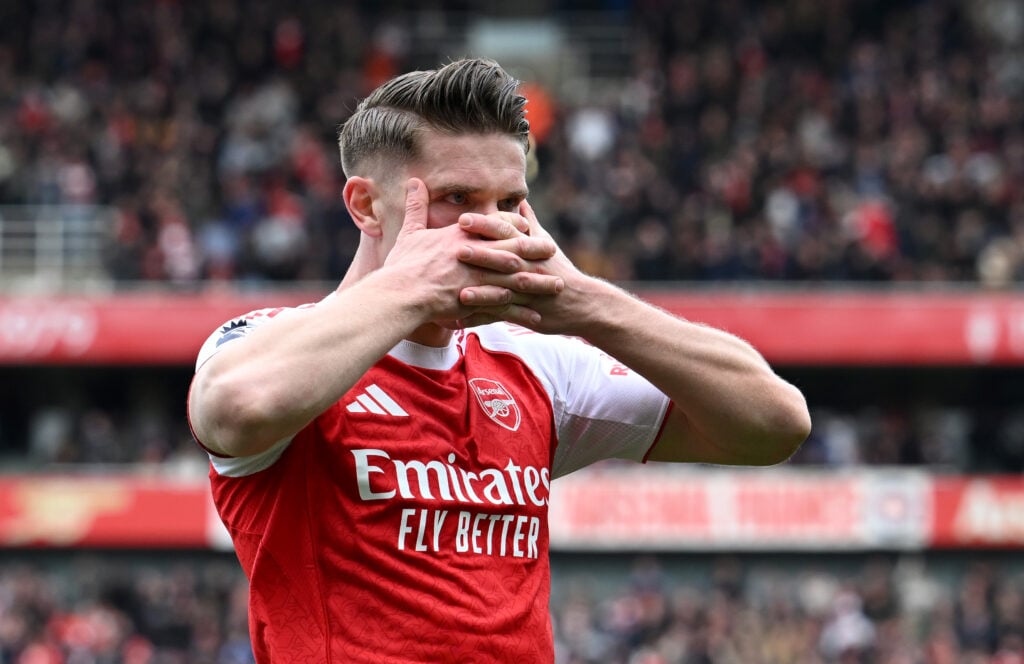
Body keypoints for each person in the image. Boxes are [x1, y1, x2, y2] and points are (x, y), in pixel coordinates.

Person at [187, 58, 811, 663]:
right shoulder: (273, 341)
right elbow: (237, 409)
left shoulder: (535, 365)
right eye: (456, 197)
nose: (490, 229)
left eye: (509, 203)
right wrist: (410, 288)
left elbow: (775, 425)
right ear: (366, 206)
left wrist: (587, 302)